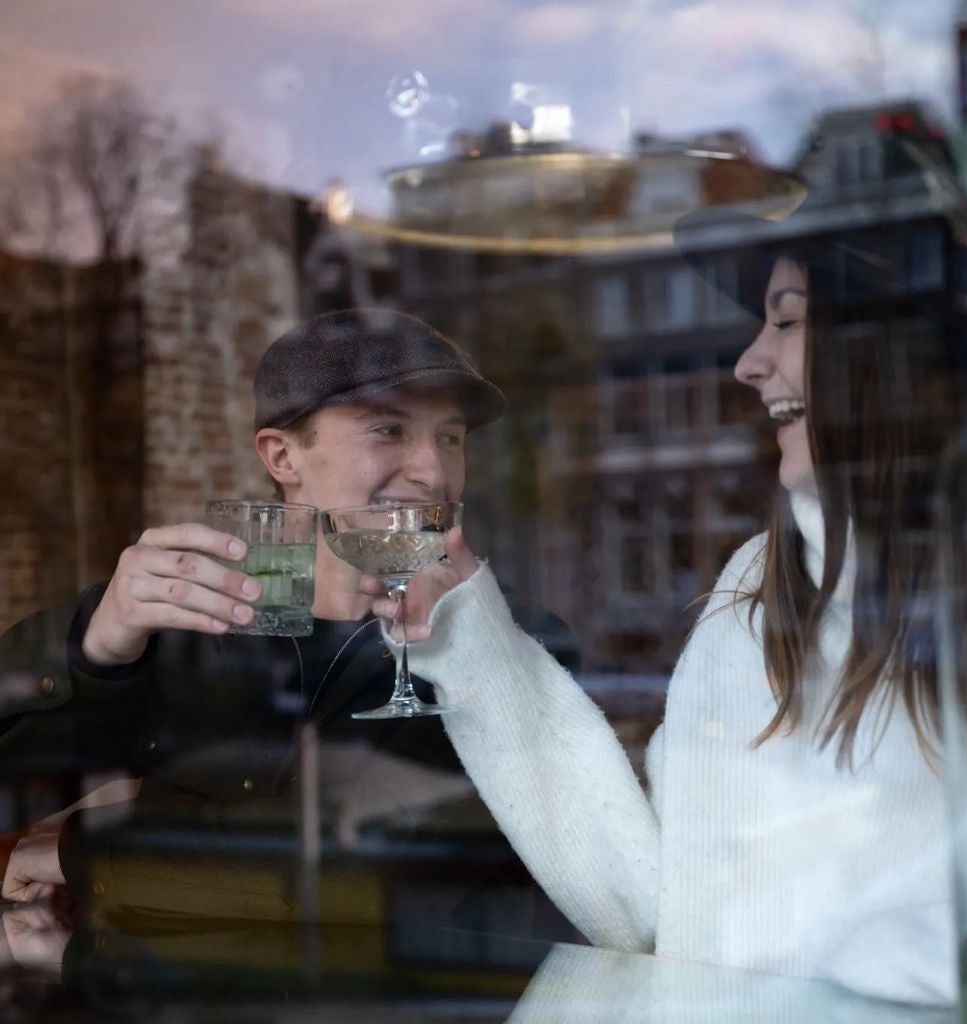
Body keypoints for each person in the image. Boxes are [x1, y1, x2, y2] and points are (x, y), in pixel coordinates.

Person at [358, 235, 967, 1003]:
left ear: (882, 352)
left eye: (786, 321)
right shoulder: (760, 584)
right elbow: (644, 910)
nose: (748, 362)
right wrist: (467, 634)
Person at [0, 308, 577, 932]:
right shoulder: (184, 622)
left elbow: (348, 878)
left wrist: (86, 845)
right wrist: (91, 650)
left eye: (450, 438)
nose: (433, 473)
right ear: (282, 456)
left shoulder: (511, 642)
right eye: (388, 430)